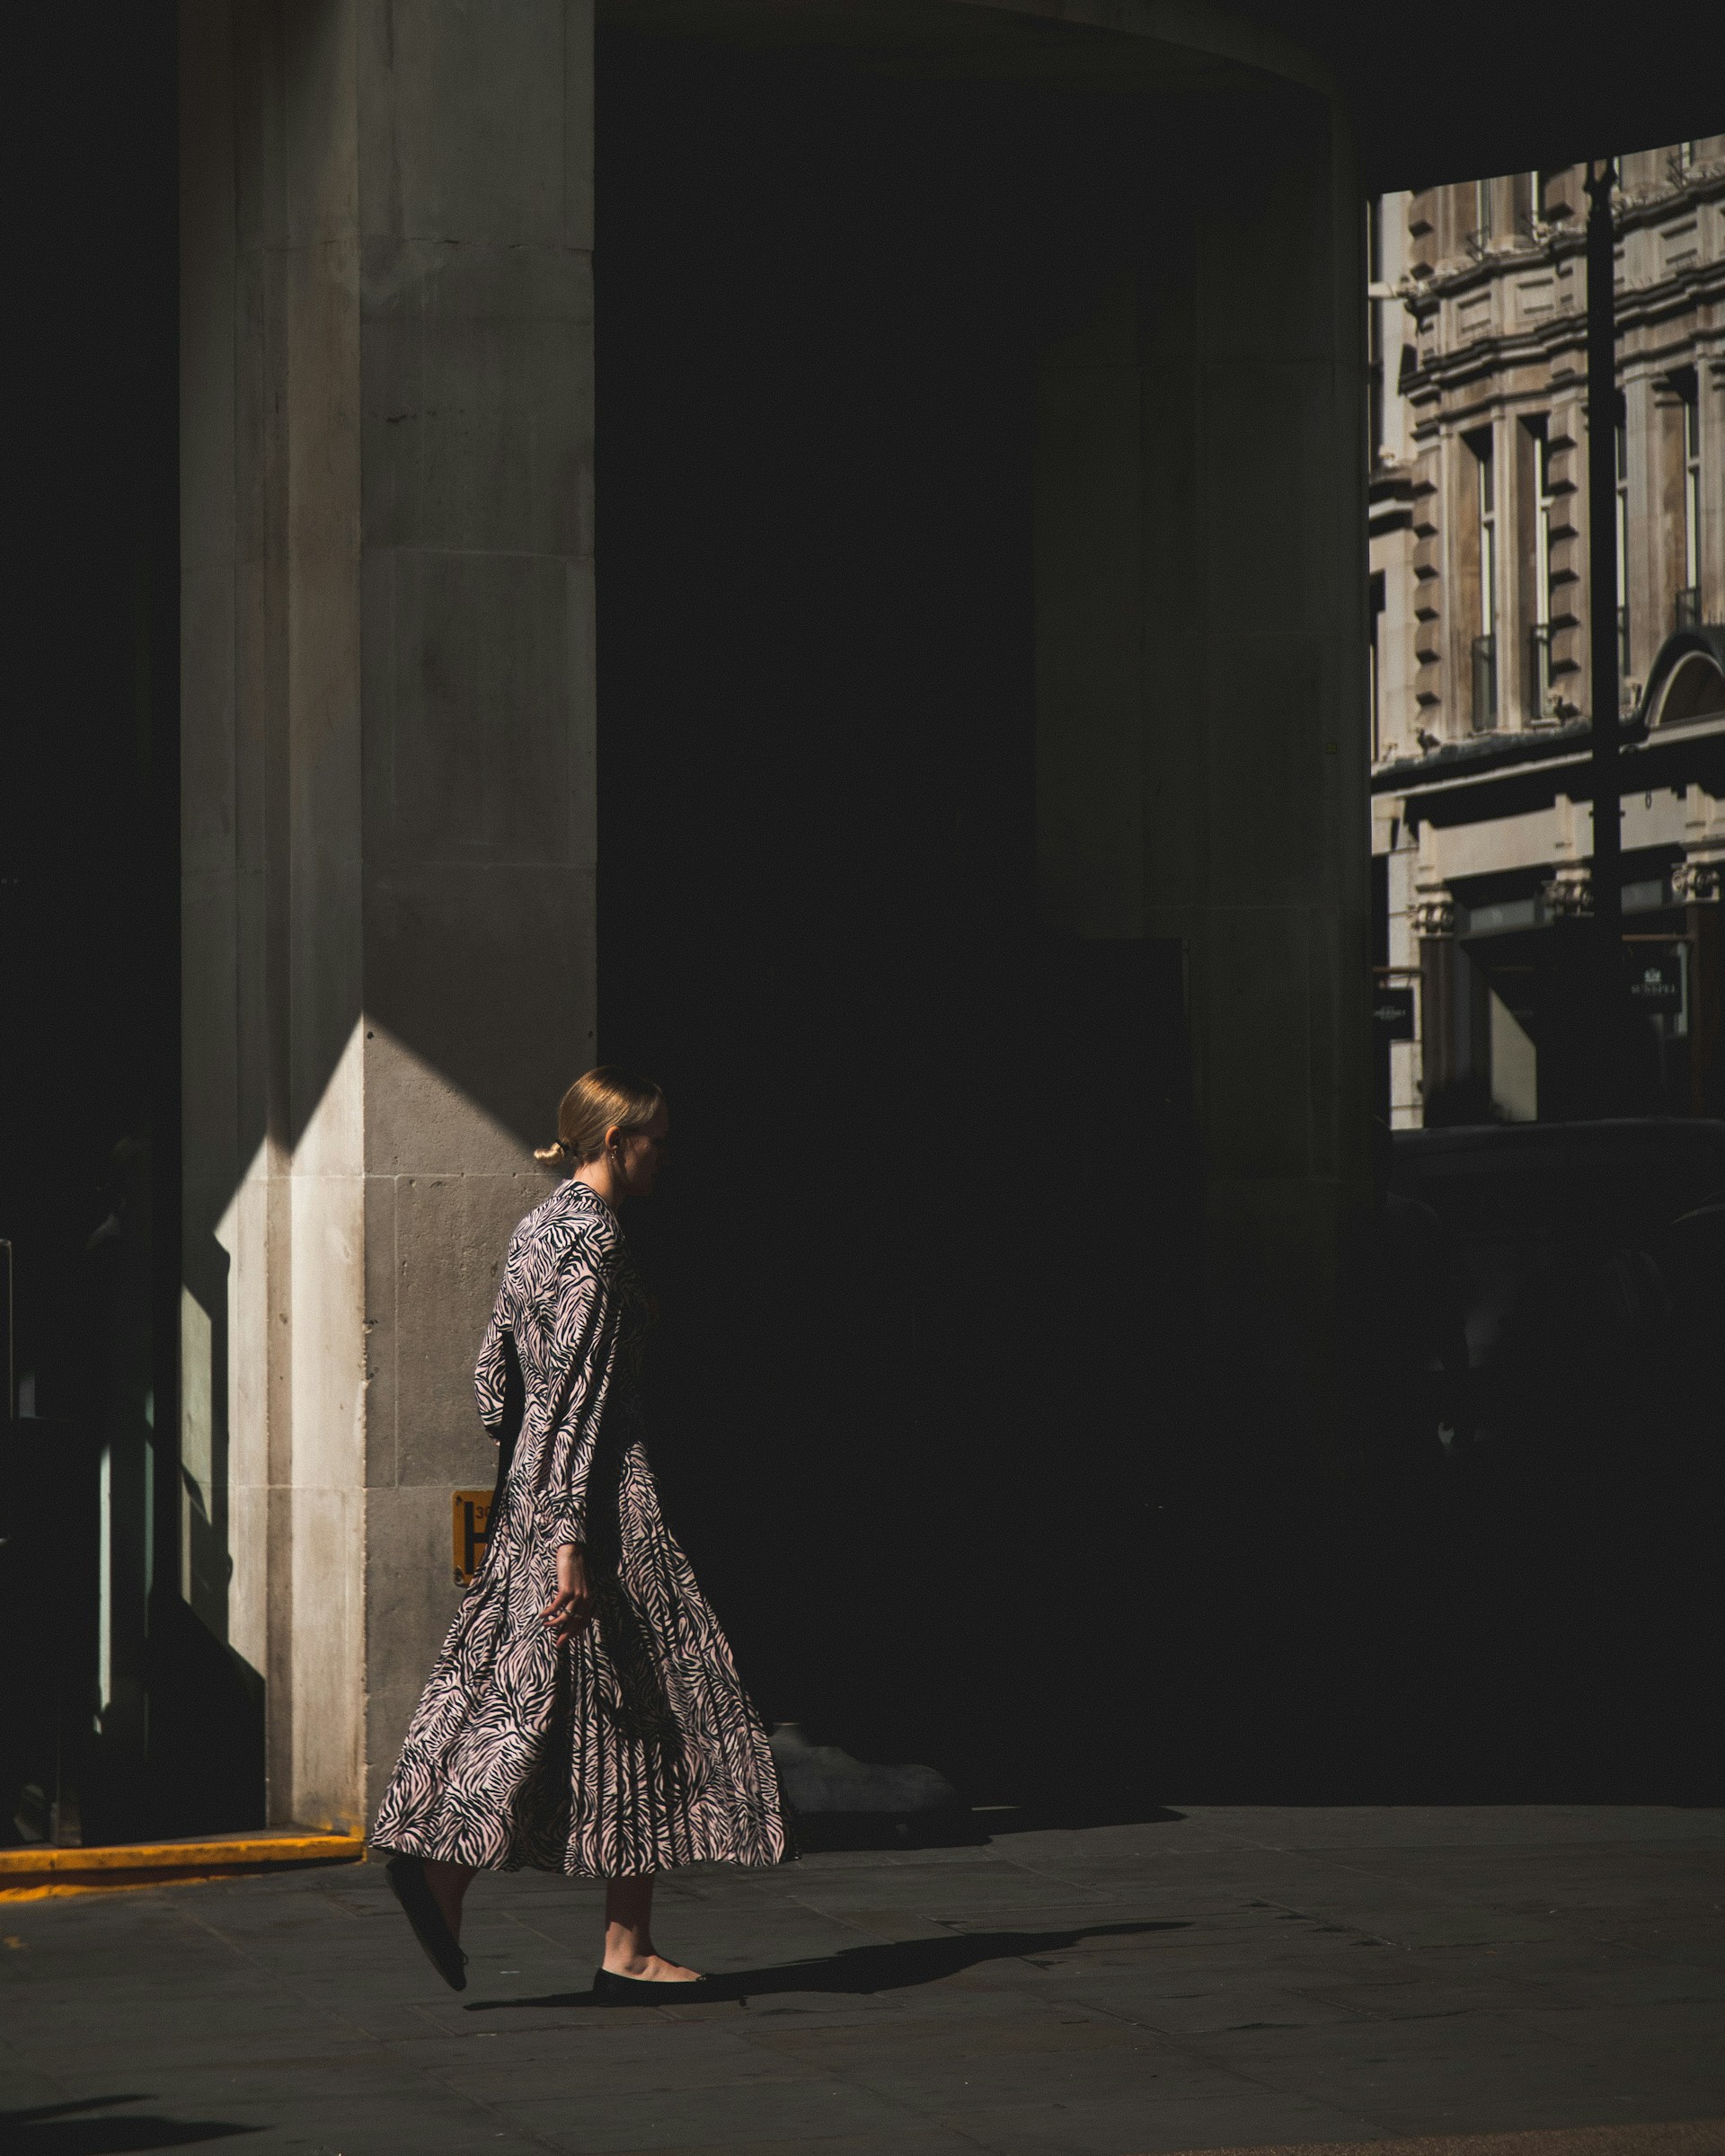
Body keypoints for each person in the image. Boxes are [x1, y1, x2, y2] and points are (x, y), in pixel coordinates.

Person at [371, 1068, 789, 2000]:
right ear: (614, 1142)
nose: (664, 1157)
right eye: (656, 1142)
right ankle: (545, 1913)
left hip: (535, 1493)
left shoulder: (535, 1229)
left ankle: (504, 1895)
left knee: (552, 1700)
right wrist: (570, 1537)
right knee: (647, 1705)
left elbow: (495, 1384)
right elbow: (574, 1401)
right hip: (598, 1506)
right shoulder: (594, 1247)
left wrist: (530, 1498)